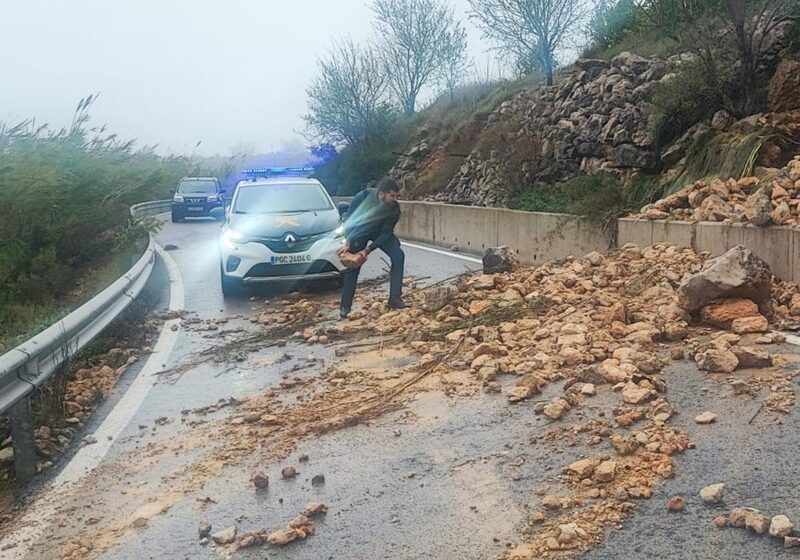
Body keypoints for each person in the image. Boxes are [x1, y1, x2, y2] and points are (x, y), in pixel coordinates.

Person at [339, 177, 407, 318]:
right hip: (360, 232)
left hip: (380, 232)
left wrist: (368, 250)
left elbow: (386, 234)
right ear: (382, 194)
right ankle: (345, 306)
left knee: (398, 256)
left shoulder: (394, 209)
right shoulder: (363, 197)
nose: (395, 199)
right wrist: (348, 241)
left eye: (396, 196)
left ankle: (395, 299)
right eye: (392, 196)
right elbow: (349, 219)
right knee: (353, 266)